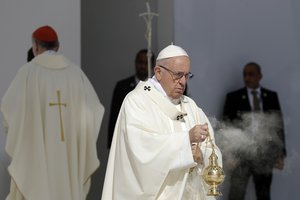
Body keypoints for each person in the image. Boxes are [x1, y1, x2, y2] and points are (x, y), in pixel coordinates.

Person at [102, 44, 222, 199]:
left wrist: (202, 156)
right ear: (158, 72)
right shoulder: (137, 101)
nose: (183, 82)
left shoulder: (190, 106)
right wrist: (186, 140)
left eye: (186, 76)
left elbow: (211, 148)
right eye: (178, 75)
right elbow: (140, 149)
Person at [1, 25, 105, 200]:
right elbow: (94, 110)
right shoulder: (75, 74)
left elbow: (10, 109)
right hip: (68, 160)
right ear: (57, 46)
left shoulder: (27, 73)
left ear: (35, 46)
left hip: (36, 158)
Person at [223, 62, 286, 200]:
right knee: (236, 194)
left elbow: (278, 126)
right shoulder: (233, 97)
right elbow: (227, 126)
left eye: (251, 74)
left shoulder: (271, 96)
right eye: (245, 74)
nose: (247, 78)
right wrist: (229, 154)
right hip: (241, 154)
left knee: (263, 194)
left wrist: (280, 154)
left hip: (265, 154)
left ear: (260, 76)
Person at [107, 49, 155, 148]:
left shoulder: (158, 87)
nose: (142, 66)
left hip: (151, 141)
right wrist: (112, 143)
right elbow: (115, 116)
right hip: (126, 141)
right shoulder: (122, 86)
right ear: (135, 63)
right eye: (140, 62)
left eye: (146, 63)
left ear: (153, 66)